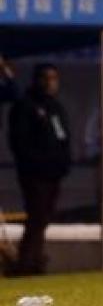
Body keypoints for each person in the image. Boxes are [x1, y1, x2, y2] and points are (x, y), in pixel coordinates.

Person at [6, 64, 71, 276]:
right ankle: (25, 261)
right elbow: (19, 142)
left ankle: (34, 258)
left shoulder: (55, 107)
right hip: (34, 173)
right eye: (47, 78)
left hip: (54, 172)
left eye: (55, 78)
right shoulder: (26, 106)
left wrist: (63, 162)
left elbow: (63, 137)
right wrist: (36, 163)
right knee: (36, 216)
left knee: (43, 217)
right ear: (38, 80)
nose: (52, 83)